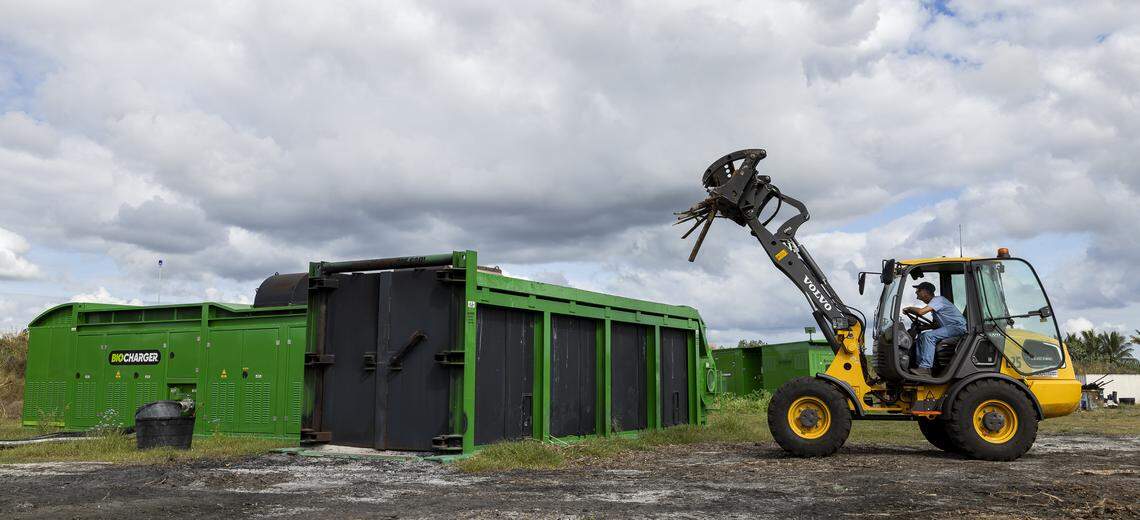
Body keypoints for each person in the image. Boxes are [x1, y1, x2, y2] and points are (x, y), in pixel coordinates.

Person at [903, 281, 967, 377]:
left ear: (925, 291)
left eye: (918, 291)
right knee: (921, 336)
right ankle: (920, 366)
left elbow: (921, 312)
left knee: (928, 336)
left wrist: (909, 308)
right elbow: (936, 325)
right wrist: (922, 327)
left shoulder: (938, 300)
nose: (916, 295)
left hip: (958, 328)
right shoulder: (936, 305)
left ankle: (926, 367)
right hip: (951, 328)